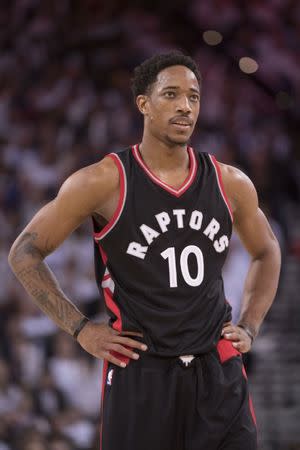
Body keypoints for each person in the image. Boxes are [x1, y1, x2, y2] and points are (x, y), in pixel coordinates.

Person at [8, 51, 281, 450]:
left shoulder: (230, 182)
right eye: (171, 94)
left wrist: (251, 325)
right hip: (142, 371)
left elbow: (268, 251)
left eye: (193, 96)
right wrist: (81, 330)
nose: (185, 106)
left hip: (216, 370)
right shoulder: (103, 181)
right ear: (144, 104)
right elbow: (24, 252)